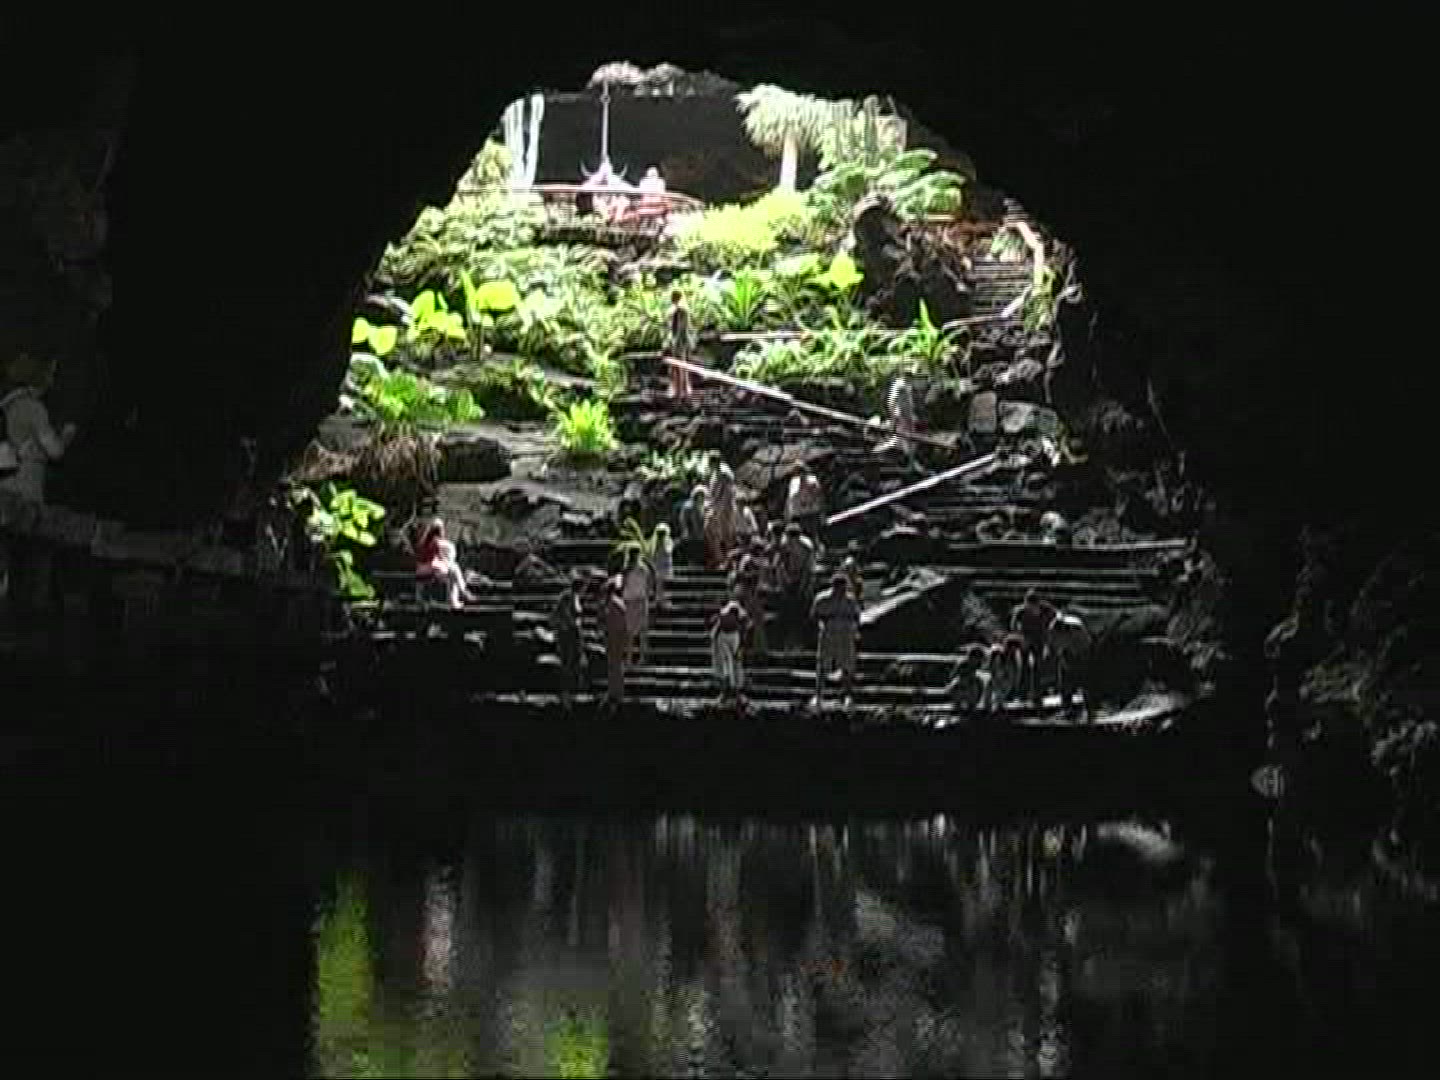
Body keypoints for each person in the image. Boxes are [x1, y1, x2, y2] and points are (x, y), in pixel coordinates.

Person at [1, 351, 78, 505]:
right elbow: (55, 451)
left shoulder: (7, 402)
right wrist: (67, 434)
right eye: (50, 375)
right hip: (25, 478)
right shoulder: (33, 408)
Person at [812, 571, 862, 708]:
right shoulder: (822, 598)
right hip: (828, 633)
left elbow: (856, 616)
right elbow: (815, 616)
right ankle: (818, 695)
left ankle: (847, 695)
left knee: (847, 665)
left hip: (846, 634)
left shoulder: (850, 600)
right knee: (823, 663)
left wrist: (854, 631)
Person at [413, 517, 476, 609]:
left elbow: (419, 558)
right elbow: (450, 559)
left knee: (452, 570)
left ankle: (462, 592)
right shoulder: (446, 544)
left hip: (420, 572)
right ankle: (458, 597)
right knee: (454, 569)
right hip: (434, 571)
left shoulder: (422, 544)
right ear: (442, 531)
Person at [1009, 588, 1059, 701]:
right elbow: (1013, 625)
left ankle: (1037, 692)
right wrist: (1020, 636)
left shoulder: (1046, 609)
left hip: (1040, 639)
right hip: (1025, 639)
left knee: (1038, 666)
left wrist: (1049, 634)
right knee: (1024, 666)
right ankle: (1022, 692)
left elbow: (1056, 617)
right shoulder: (1020, 611)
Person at [774, 523, 817, 651]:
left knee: (803, 613)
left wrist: (805, 586)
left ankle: (803, 643)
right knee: (787, 613)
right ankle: (787, 642)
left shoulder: (806, 547)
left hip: (803, 581)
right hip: (787, 582)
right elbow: (779, 566)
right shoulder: (783, 546)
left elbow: (809, 569)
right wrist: (784, 583)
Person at [1046, 608, 1093, 718]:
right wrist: (1060, 656)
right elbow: (1053, 643)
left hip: (1082, 654)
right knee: (1065, 683)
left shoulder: (1077, 629)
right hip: (1066, 653)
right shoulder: (1054, 628)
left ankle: (1089, 710)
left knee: (1084, 682)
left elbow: (1087, 644)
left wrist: (1077, 658)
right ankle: (1067, 709)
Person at [550, 576, 586, 699]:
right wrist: (573, 626)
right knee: (568, 659)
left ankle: (574, 685)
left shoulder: (573, 596)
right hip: (567, 632)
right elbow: (567, 615)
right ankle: (567, 687)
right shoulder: (568, 597)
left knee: (574, 658)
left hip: (570, 631)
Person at [730, 550, 769, 658]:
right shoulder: (747, 562)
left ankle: (757, 649)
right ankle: (742, 649)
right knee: (744, 625)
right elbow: (742, 576)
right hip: (745, 596)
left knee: (756, 624)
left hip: (751, 596)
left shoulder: (758, 562)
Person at [711, 598, 750, 701]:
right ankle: (725, 691)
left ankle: (736, 691)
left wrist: (741, 645)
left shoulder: (739, 616)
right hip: (723, 637)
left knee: (735, 664)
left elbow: (744, 630)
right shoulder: (721, 617)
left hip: (733, 637)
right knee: (725, 665)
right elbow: (716, 630)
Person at [622, 548, 654, 667]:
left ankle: (632, 658)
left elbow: (623, 585)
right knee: (638, 631)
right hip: (637, 600)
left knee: (633, 632)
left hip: (633, 600)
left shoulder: (630, 569)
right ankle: (637, 658)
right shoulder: (642, 569)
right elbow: (650, 584)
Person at [704, 461, 738, 568]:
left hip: (723, 509)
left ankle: (727, 561)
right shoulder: (716, 473)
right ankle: (719, 559)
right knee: (712, 532)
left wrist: (715, 507)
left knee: (725, 535)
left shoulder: (724, 474)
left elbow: (723, 494)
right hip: (718, 508)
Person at [785, 466, 826, 546]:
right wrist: (790, 513)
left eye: (800, 471)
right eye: (796, 472)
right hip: (800, 514)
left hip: (812, 512)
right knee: (803, 535)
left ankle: (818, 548)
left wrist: (811, 504)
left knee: (815, 533)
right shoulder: (794, 482)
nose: (798, 474)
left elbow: (818, 496)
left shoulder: (812, 480)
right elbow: (791, 499)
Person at [946, 643, 993, 711]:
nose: (976, 659)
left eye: (978, 657)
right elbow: (953, 676)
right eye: (974, 656)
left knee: (977, 684)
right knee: (959, 689)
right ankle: (958, 706)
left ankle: (971, 706)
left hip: (971, 687)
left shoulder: (978, 667)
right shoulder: (963, 664)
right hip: (959, 685)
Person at [604, 575, 628, 704]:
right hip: (615, 636)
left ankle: (615, 691)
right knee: (615, 665)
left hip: (615, 637)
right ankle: (615, 690)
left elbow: (617, 623)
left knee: (615, 665)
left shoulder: (613, 604)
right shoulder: (616, 603)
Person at [666, 289, 694, 400]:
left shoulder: (682, 310)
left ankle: (682, 391)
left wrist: (676, 341)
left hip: (680, 342)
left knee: (680, 366)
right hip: (677, 341)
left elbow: (682, 328)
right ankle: (678, 389)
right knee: (676, 366)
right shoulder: (674, 310)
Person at [678, 485, 709, 565]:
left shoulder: (707, 507)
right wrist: (685, 531)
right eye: (698, 495)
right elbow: (683, 520)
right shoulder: (688, 507)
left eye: (702, 495)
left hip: (704, 535)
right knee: (692, 554)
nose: (700, 497)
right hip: (691, 534)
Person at [650, 522, 674, 609]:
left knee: (665, 584)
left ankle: (663, 600)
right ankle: (658, 600)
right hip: (657, 566)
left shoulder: (668, 541)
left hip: (665, 565)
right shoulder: (654, 542)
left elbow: (668, 552)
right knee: (658, 584)